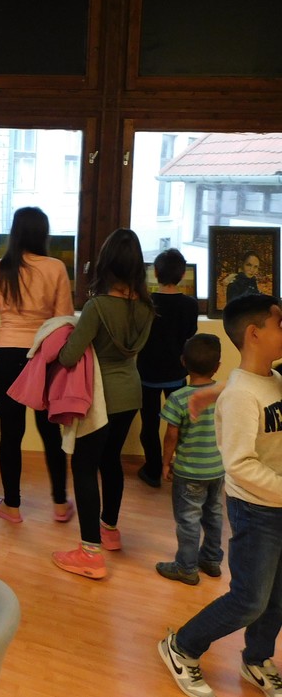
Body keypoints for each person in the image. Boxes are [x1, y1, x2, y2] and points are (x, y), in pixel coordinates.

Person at [159, 294, 282, 697]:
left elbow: (249, 386)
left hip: (277, 503)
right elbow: (240, 465)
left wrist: (214, 392)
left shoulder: (273, 379)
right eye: (279, 325)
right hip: (257, 511)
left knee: (276, 597)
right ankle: (181, 646)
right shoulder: (241, 394)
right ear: (254, 334)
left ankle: (256, 658)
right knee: (249, 600)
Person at [52, 228, 154, 579]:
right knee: (112, 462)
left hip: (98, 397)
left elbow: (69, 356)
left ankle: (89, 553)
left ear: (106, 263)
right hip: (131, 393)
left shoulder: (97, 306)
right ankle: (109, 530)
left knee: (83, 466)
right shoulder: (146, 307)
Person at [0, 206, 75, 524]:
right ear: (44, 234)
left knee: (11, 434)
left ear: (14, 233)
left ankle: (12, 506)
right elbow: (64, 323)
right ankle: (60, 505)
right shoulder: (56, 268)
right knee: (51, 432)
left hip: (8, 358)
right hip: (44, 358)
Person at [155, 333, 224, 586]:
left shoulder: (178, 398)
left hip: (189, 472)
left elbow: (171, 436)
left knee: (188, 520)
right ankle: (212, 560)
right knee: (214, 514)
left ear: (183, 362)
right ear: (218, 366)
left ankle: (186, 567)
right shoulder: (223, 394)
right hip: (217, 469)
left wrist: (165, 462)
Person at [136, 248, 199, 488]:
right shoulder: (190, 305)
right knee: (180, 424)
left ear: (155, 272)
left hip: (147, 374)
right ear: (183, 275)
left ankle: (153, 470)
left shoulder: (145, 304)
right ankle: (182, 470)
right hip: (177, 373)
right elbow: (190, 335)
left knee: (149, 425)